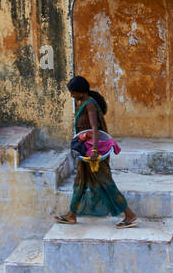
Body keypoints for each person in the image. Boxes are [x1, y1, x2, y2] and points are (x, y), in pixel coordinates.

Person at [53, 76, 138, 228]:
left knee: (105, 182)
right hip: (85, 152)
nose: (71, 95)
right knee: (80, 181)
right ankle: (72, 215)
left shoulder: (90, 105)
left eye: (73, 92)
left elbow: (94, 128)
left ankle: (130, 215)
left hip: (94, 154)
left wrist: (94, 150)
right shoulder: (82, 102)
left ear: (80, 92)